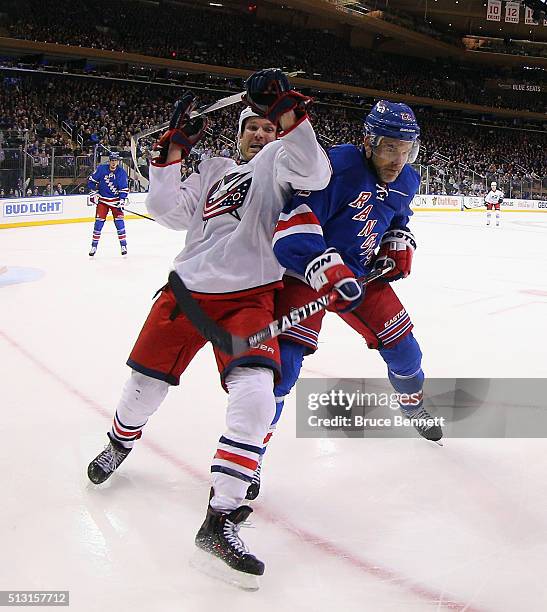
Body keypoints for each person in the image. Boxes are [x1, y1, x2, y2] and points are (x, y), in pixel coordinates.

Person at [87, 69, 331, 588]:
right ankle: (119, 441)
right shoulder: (216, 169)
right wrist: (169, 159)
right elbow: (165, 210)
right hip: (186, 291)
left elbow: (318, 172)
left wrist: (288, 113)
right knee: (143, 387)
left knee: (257, 395)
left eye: (268, 128)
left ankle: (220, 518)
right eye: (253, 129)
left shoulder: (283, 164)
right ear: (238, 132)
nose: (260, 135)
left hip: (248, 298)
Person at [252, 101, 443, 490]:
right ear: (368, 143)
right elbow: (294, 221)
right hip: (307, 275)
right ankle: (250, 454)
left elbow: (397, 217)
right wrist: (323, 266)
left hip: (361, 276)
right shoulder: (336, 166)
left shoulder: (407, 180)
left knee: (407, 353)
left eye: (407, 150)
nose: (398, 160)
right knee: (284, 368)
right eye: (390, 148)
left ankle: (413, 405)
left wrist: (397, 242)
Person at [86, 152, 129, 256]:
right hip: (103, 201)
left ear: (118, 161)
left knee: (119, 223)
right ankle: (94, 246)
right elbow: (91, 182)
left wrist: (122, 200)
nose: (114, 162)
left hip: (116, 202)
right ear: (109, 161)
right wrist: (94, 193)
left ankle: (123, 245)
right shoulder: (102, 169)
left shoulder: (122, 173)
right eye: (112, 160)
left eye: (115, 160)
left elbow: (124, 188)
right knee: (98, 224)